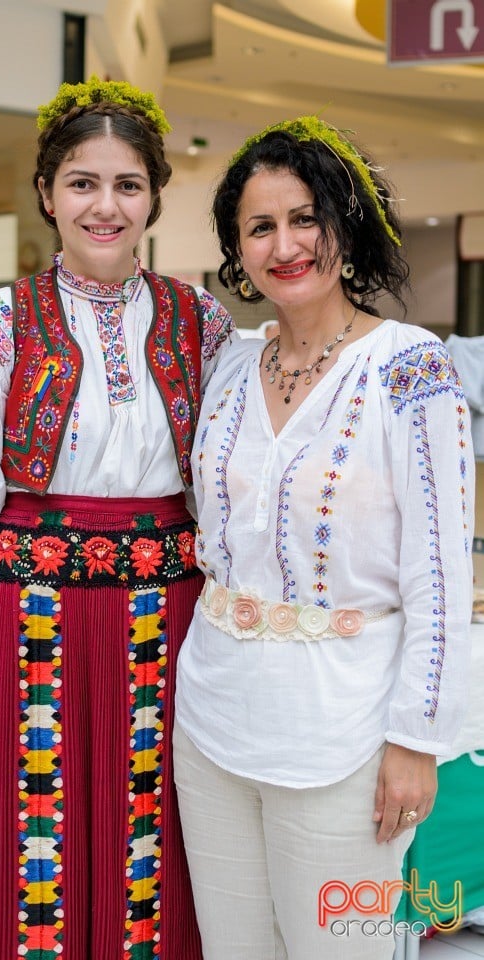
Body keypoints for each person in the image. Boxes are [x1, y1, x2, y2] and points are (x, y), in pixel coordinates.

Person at [0, 76, 234, 960]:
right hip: (31, 629)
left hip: (172, 636)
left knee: (161, 868)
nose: (105, 206)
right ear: (47, 193)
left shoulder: (204, 324)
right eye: (83, 182)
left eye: (127, 184)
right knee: (29, 868)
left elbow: (238, 489)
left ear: (156, 195)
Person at [172, 116, 475, 960]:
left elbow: (441, 577)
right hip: (211, 722)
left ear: (346, 223)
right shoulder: (232, 365)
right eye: (260, 226)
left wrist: (417, 741)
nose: (286, 244)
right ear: (238, 247)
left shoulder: (411, 368)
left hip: (343, 733)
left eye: (306, 217)